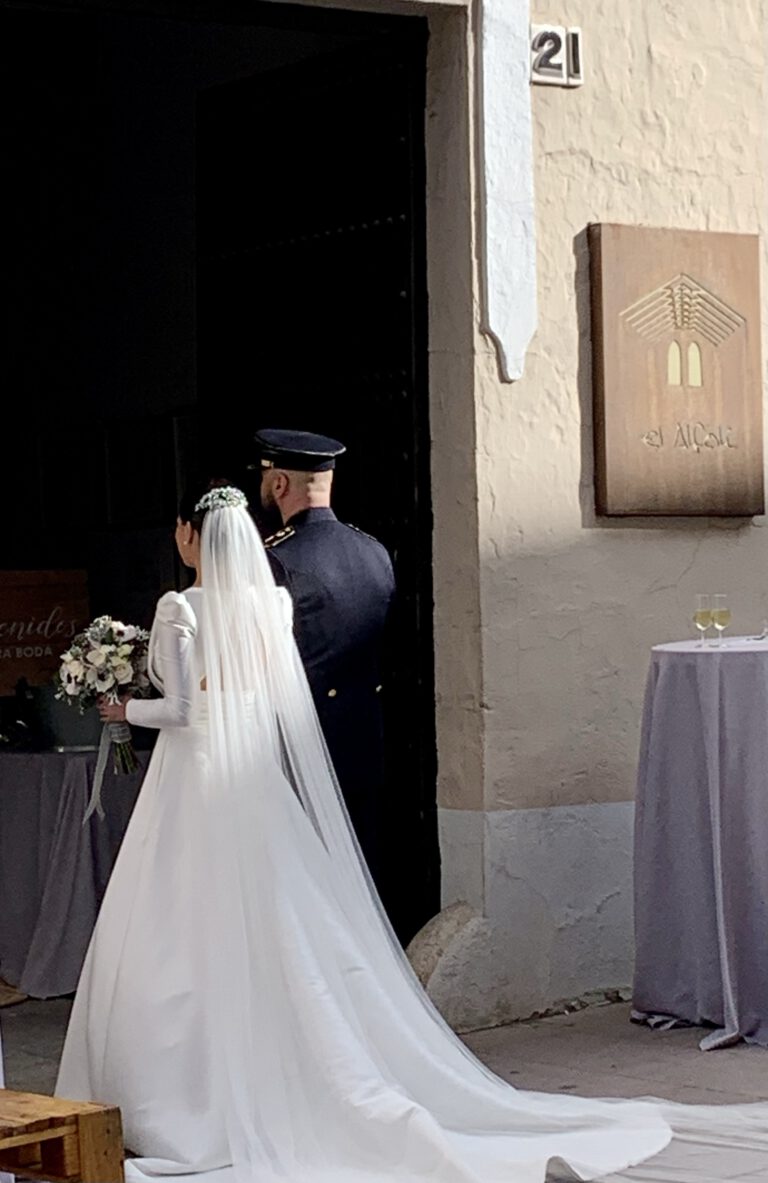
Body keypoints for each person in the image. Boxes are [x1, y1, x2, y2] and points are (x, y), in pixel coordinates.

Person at [53, 479, 767, 1183]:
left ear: (189, 536)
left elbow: (182, 712)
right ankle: (289, 1066)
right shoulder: (270, 603)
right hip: (252, 783)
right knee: (280, 924)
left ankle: (176, 1095)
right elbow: (257, 698)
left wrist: (120, 714)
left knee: (179, 927)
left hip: (192, 783)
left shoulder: (180, 607)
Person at [255, 427, 395, 886]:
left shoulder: (275, 559)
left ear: (279, 484)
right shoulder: (374, 552)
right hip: (364, 743)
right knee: (360, 880)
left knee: (306, 886)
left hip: (302, 744)